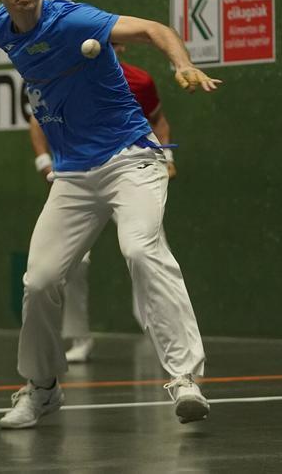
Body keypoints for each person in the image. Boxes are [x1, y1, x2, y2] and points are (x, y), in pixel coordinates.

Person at [0, 0, 219, 429]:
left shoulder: (75, 20)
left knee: (140, 248)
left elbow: (155, 30)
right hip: (73, 174)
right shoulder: (1, 29)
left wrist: (183, 63)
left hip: (131, 157)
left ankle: (185, 378)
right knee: (40, 279)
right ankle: (43, 389)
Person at [29, 42, 177, 365]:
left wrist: (166, 156)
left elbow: (158, 121)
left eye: (111, 42)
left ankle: (157, 331)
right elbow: (39, 122)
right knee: (74, 264)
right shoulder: (65, 79)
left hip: (130, 176)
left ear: (121, 46)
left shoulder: (140, 81)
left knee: (146, 251)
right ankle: (79, 338)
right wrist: (44, 162)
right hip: (82, 177)